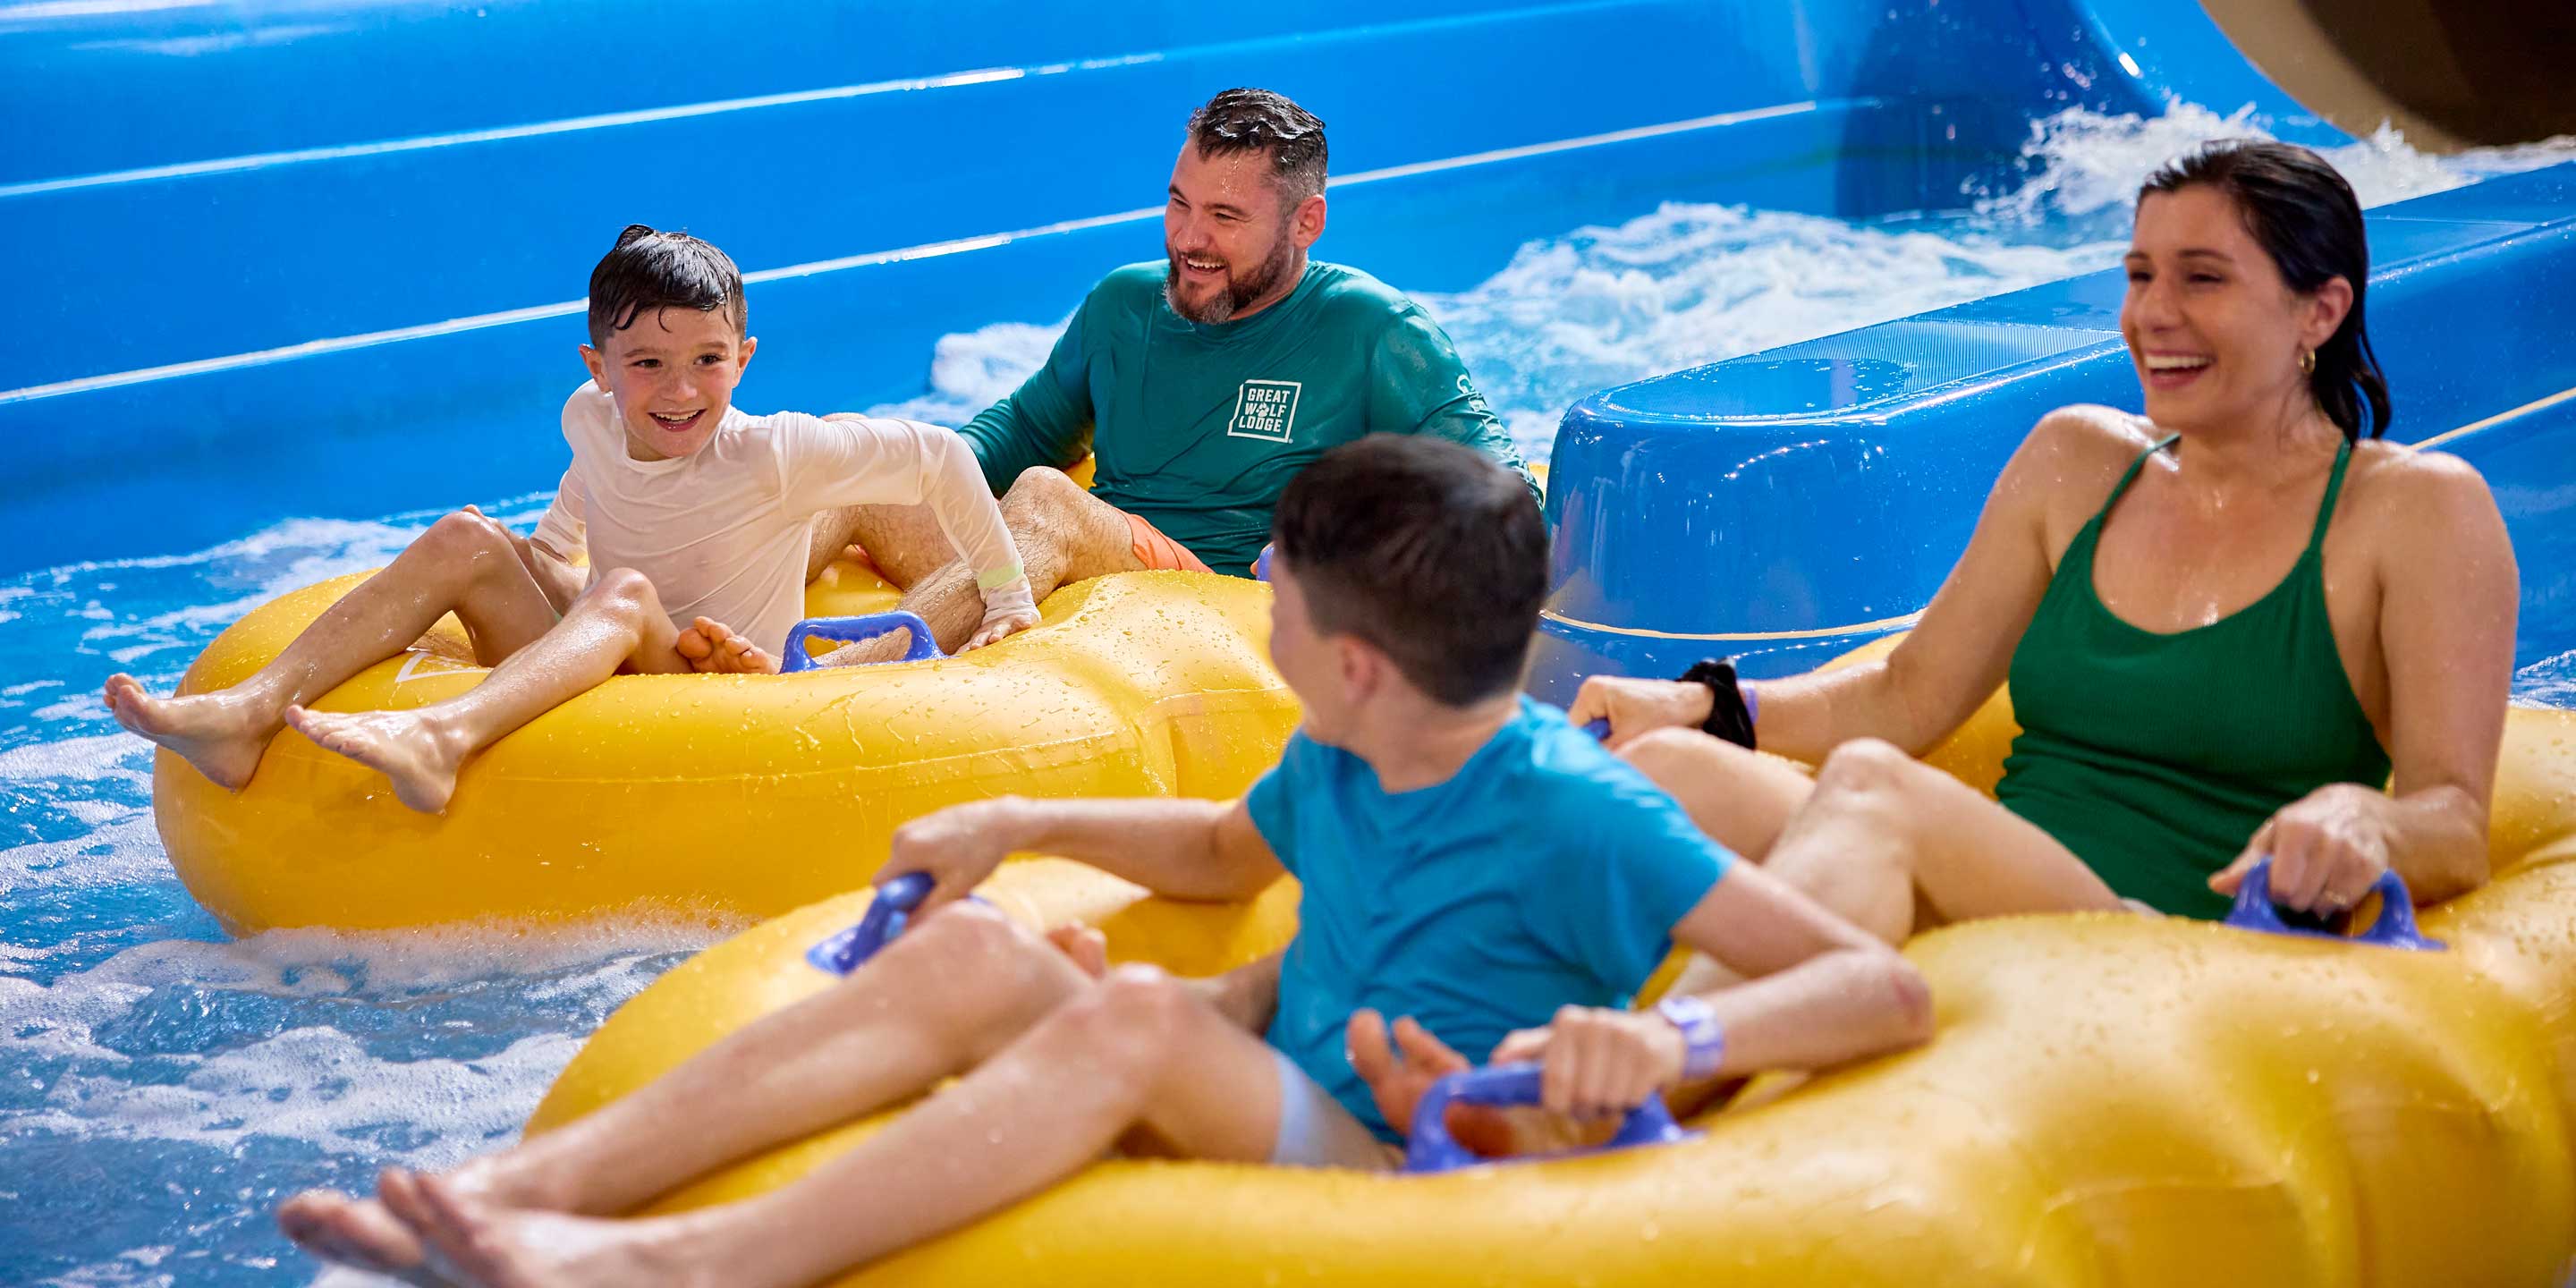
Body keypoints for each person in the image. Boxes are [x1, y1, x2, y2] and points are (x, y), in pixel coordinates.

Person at [275, 436, 1929, 1286]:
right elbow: (1219, 854)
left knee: (1126, 1024)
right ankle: (514, 1193)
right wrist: (1016, 823)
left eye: (1279, 583)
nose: (1257, 596)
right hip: (1293, 1065)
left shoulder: (1578, 807)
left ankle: (680, 1267)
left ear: (1355, 657)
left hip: (1411, 1153)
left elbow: (1877, 987)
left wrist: (1676, 1037)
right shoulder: (1346, 752)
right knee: (992, 957)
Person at [1574, 140, 2516, 945]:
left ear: (2321, 309)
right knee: (1662, 773)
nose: (2153, 313)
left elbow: (2456, 822)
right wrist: (1700, 705)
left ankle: (1651, 1075)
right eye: (2141, 274)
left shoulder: (2414, 510)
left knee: (1874, 788)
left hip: (2170, 943)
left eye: (2203, 278)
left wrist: (2365, 817)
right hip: (2006, 891)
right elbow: (1904, 695)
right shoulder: (2079, 461)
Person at [102, 225, 1038, 813]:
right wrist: (538, 558)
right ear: (596, 366)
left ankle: (442, 737)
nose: (680, 392)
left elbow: (945, 457)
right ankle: (247, 712)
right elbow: (589, 492)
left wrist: (1006, 597)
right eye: (647, 367)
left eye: (709, 361)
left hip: (715, 684)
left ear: (744, 357)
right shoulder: (585, 416)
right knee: (469, 536)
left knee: (625, 592)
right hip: (610, 651)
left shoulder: (775, 451)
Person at [688, 87, 1538, 669]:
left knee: (1049, 500)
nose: (1188, 239)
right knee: (859, 442)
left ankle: (819, 687)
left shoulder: (1375, 331)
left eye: (1226, 217)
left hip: (1210, 602)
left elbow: (1503, 497)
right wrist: (883, 461)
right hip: (1076, 574)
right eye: (1179, 203)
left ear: (1306, 221)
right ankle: (693, 618)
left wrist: (1354, 556)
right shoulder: (1125, 306)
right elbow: (1011, 437)